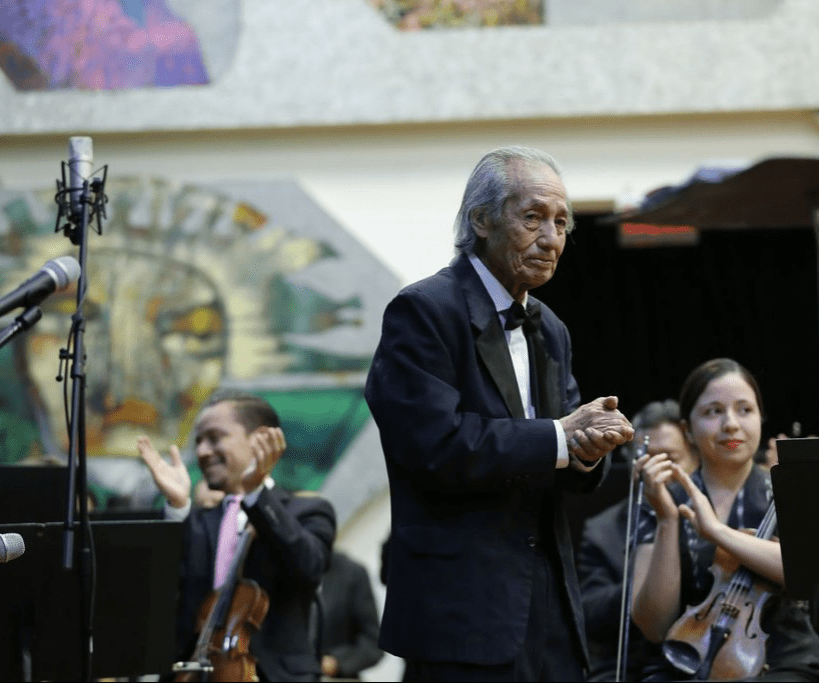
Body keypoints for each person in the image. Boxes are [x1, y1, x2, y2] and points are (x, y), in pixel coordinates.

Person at [364, 145, 635, 682]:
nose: (552, 238)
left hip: (550, 606)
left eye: (561, 223)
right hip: (460, 612)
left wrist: (590, 449)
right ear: (481, 220)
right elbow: (436, 448)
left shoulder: (551, 327)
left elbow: (567, 457)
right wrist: (561, 438)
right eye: (533, 217)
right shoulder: (423, 311)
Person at [631, 358, 819, 681]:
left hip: (784, 664)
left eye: (745, 410)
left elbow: (808, 570)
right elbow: (655, 627)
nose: (730, 424)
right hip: (686, 664)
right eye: (713, 412)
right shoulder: (663, 499)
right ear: (687, 429)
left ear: (760, 418)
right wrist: (667, 521)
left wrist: (715, 532)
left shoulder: (787, 492)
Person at [137, 389, 336, 682]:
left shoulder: (306, 510)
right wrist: (177, 506)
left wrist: (256, 494)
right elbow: (158, 587)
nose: (203, 451)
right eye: (199, 441)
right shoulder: (197, 521)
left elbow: (308, 568)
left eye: (215, 438)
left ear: (259, 439)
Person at [577, 400, 696, 681]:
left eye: (669, 458)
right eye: (646, 458)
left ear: (695, 458)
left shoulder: (711, 516)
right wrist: (649, 579)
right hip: (627, 664)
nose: (655, 470)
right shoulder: (601, 529)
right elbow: (590, 613)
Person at [317, 550, 384, 681]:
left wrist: (336, 662)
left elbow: (373, 642)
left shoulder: (351, 572)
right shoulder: (278, 576)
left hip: (336, 676)